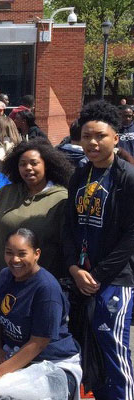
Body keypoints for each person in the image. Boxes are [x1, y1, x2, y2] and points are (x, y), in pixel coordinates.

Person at [62, 100, 134, 400]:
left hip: (115, 279)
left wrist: (98, 275)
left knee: (113, 349)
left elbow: (132, 234)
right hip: (83, 276)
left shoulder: (126, 177)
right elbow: (68, 226)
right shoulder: (80, 174)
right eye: (87, 136)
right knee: (89, 350)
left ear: (115, 138)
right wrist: (74, 269)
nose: (92, 142)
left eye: (100, 136)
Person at [0, 229, 82, 398]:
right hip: (14, 358)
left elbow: (39, 343)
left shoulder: (46, 289)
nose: (15, 260)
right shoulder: (5, 275)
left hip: (53, 364)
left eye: (22, 254)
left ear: (36, 254)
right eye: (9, 253)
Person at [0, 139, 72, 279]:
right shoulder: (4, 193)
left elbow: (67, 245)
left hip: (41, 285)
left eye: (34, 163)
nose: (28, 168)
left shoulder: (61, 199)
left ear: (46, 165)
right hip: (3, 281)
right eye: (22, 164)